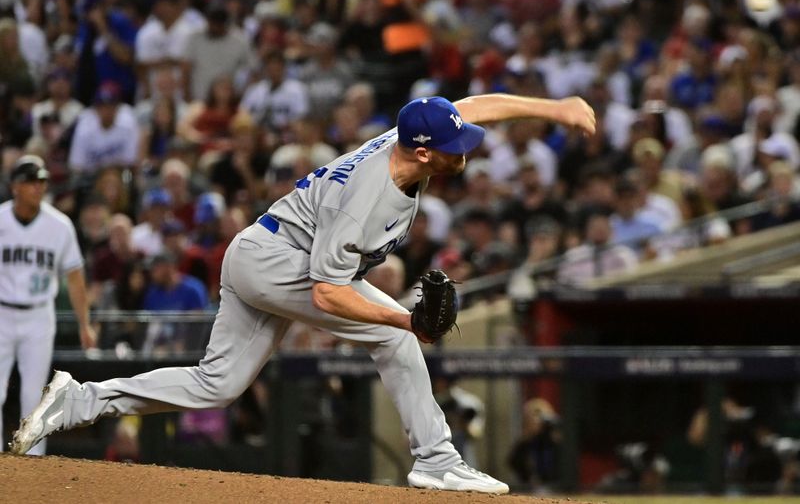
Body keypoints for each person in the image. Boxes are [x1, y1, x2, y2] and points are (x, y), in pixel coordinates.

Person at [11, 93, 595, 494]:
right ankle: (437, 461)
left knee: (219, 384)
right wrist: (406, 325)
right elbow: (327, 296)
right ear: (424, 152)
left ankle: (80, 400)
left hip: (260, 251)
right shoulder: (369, 198)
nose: (464, 150)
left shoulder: (408, 134)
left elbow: (471, 107)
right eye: (454, 146)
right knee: (394, 336)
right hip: (277, 261)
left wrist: (554, 109)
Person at [1, 155, 95, 455]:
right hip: (1, 313)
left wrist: (84, 324)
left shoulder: (59, 225)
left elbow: (76, 278)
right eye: (31, 181)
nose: (38, 187)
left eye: (41, 181)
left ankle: (32, 462)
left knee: (34, 395)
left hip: (40, 316)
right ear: (15, 186)